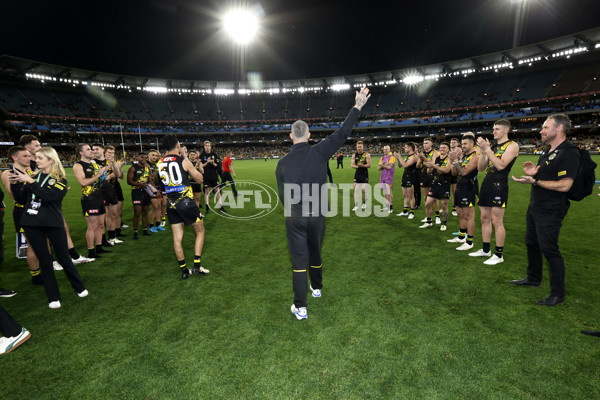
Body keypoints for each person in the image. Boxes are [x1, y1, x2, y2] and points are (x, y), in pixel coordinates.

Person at [276, 86, 370, 320]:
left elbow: (282, 196)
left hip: (295, 216)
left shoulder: (282, 164)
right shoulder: (319, 152)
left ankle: (301, 306)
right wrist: (357, 107)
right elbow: (342, 132)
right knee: (315, 254)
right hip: (317, 216)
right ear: (308, 136)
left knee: (299, 262)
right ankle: (316, 288)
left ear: (291, 136)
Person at [511, 114, 581, 306]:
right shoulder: (548, 151)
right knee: (531, 243)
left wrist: (536, 180)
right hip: (536, 206)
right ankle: (533, 278)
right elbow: (544, 177)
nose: (541, 131)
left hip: (551, 209)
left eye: (545, 127)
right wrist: (534, 173)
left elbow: (565, 185)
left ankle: (558, 294)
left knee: (549, 249)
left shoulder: (569, 152)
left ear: (559, 129)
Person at [10, 147, 88, 309]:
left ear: (50, 160)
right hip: (31, 223)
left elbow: (47, 197)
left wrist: (31, 182)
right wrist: (17, 184)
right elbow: (21, 198)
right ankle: (53, 297)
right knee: (45, 260)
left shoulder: (61, 180)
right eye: (35, 157)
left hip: (53, 223)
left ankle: (79, 287)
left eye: (39, 158)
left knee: (63, 258)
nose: (35, 160)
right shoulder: (34, 177)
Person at [469, 119, 519, 265]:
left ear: (505, 130)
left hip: (499, 185)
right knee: (484, 218)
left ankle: (498, 254)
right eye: (493, 129)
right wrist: (485, 152)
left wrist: (488, 150)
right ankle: (486, 250)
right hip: (487, 183)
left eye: (497, 129)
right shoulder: (494, 147)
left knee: (497, 221)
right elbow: (480, 168)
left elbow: (501, 165)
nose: (494, 131)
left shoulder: (512, 145)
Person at [159, 135, 209, 279]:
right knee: (200, 231)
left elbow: (162, 185)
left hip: (171, 204)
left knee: (177, 238)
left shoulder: (160, 163)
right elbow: (199, 179)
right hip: (186, 202)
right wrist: (189, 165)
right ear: (178, 145)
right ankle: (196, 266)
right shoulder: (183, 161)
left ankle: (184, 271)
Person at [74, 144, 111, 259]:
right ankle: (91, 251)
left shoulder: (93, 164)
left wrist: (111, 166)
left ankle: (99, 247)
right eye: (88, 149)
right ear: (81, 153)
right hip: (89, 198)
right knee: (92, 226)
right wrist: (98, 175)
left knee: (101, 224)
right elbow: (83, 182)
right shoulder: (78, 165)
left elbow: (101, 177)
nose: (91, 151)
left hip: (99, 196)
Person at [447, 135, 479, 250]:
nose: (463, 146)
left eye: (465, 143)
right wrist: (453, 162)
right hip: (460, 187)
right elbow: (455, 173)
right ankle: (461, 237)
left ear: (472, 144)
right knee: (460, 213)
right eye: (462, 143)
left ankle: (469, 242)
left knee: (468, 216)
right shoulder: (464, 157)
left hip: (469, 188)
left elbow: (464, 172)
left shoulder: (475, 156)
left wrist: (456, 161)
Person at [92, 143, 123, 246]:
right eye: (93, 149)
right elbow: (100, 177)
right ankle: (103, 240)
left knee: (113, 214)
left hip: (111, 190)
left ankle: (112, 237)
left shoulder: (108, 161)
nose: (95, 151)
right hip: (100, 191)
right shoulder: (93, 162)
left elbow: (118, 175)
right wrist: (108, 169)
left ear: (102, 150)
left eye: (97, 149)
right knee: (103, 217)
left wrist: (113, 164)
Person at [421, 142, 452, 230]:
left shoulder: (449, 159)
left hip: (445, 185)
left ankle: (444, 223)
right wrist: (430, 167)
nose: (442, 149)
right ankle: (429, 222)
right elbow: (428, 172)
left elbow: (446, 170)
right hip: (435, 184)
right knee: (427, 204)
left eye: (444, 147)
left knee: (444, 205)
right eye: (441, 147)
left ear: (448, 149)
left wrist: (434, 166)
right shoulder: (436, 159)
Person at [127, 152, 153, 240]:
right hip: (136, 192)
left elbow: (150, 181)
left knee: (145, 212)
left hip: (146, 192)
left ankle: (145, 230)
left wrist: (155, 191)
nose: (144, 159)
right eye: (142, 157)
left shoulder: (147, 168)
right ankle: (135, 232)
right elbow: (129, 181)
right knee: (137, 213)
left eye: (145, 158)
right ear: (137, 158)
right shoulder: (133, 168)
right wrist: (140, 185)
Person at [104, 146, 127, 237]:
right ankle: (110, 233)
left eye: (113, 153)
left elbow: (121, 176)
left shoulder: (115, 162)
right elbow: (104, 176)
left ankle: (118, 231)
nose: (111, 154)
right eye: (109, 152)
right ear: (104, 153)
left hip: (116, 186)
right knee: (109, 213)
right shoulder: (102, 163)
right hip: (107, 188)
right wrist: (115, 171)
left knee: (118, 212)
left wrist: (120, 167)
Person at [418, 139, 440, 223]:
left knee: (433, 197)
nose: (425, 145)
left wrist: (423, 157)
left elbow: (433, 163)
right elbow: (418, 166)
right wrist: (420, 159)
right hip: (423, 175)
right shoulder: (423, 153)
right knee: (426, 197)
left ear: (432, 144)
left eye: (427, 143)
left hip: (432, 175)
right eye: (424, 143)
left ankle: (437, 215)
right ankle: (428, 216)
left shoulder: (435, 152)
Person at [394, 142, 418, 219]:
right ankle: (405, 211)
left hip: (411, 177)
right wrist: (398, 158)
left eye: (405, 147)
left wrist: (399, 157)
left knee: (411, 196)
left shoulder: (414, 157)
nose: (404, 148)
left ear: (410, 147)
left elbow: (406, 165)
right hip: (405, 176)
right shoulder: (408, 156)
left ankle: (412, 212)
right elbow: (400, 165)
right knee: (405, 195)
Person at [200, 141, 224, 214]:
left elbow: (217, 165)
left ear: (210, 147)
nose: (207, 147)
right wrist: (207, 162)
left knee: (217, 191)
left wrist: (213, 163)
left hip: (214, 176)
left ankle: (221, 207)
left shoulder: (214, 154)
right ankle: (207, 208)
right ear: (204, 147)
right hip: (206, 177)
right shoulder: (202, 155)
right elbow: (200, 166)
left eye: (208, 145)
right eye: (206, 145)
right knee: (207, 192)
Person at [147, 150, 166, 233]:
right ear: (149, 155)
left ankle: (158, 225)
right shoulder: (146, 165)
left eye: (155, 155)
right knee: (154, 207)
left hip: (158, 187)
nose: (154, 157)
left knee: (159, 206)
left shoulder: (155, 164)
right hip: (151, 188)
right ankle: (151, 226)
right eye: (152, 155)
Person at [351, 141, 371, 211]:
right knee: (356, 190)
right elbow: (352, 165)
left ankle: (365, 203)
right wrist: (357, 167)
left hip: (364, 173)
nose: (359, 148)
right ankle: (356, 205)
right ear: (356, 147)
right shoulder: (354, 155)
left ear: (363, 147)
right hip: (357, 174)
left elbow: (369, 165)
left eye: (360, 147)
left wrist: (362, 165)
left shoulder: (366, 154)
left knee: (364, 189)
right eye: (358, 147)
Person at [377, 145, 396, 214]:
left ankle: (391, 207)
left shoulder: (392, 157)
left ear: (389, 150)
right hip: (383, 177)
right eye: (384, 149)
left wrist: (382, 165)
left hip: (389, 177)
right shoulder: (382, 158)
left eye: (387, 149)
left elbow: (389, 167)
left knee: (389, 192)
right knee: (385, 192)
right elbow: (378, 169)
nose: (385, 150)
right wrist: (384, 165)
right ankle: (386, 206)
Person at [449, 136, 461, 216]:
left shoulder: (460, 151)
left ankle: (454, 207)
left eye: (454, 142)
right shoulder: (447, 151)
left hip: (455, 173)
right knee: (444, 192)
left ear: (458, 144)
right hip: (447, 173)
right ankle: (445, 207)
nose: (452, 143)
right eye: (451, 142)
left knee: (454, 192)